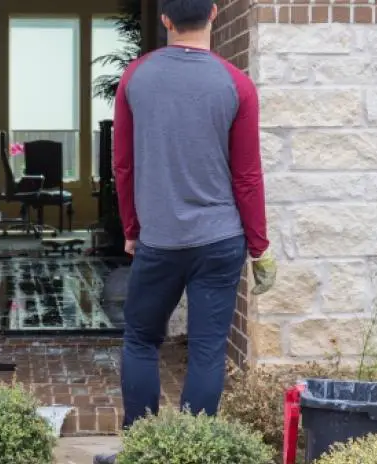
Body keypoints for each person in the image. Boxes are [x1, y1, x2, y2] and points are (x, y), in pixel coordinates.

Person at [94, 1, 277, 463]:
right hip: (221, 241)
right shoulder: (237, 85)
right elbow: (248, 176)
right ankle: (191, 456)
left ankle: (139, 451)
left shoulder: (137, 77)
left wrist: (132, 229)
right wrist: (259, 248)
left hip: (159, 240)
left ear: (165, 19)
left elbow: (123, 163)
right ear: (215, 14)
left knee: (140, 339)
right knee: (208, 351)